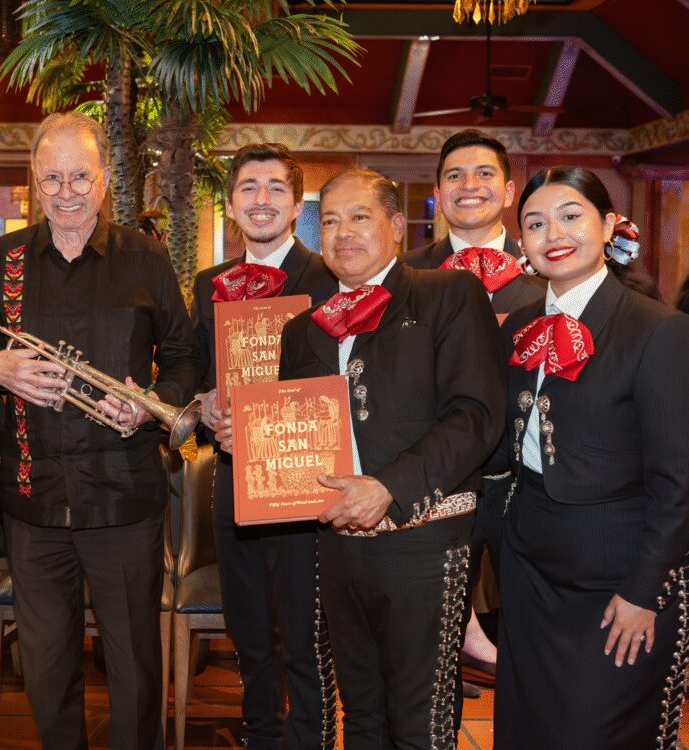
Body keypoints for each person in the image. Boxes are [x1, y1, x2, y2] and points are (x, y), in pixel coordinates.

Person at [241, 168, 505, 748]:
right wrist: (259, 445)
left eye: (359, 217)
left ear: (394, 226)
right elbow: (298, 437)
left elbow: (477, 416)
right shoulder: (302, 330)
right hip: (335, 549)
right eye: (330, 220)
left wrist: (387, 486)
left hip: (424, 541)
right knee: (360, 718)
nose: (343, 234)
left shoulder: (447, 294)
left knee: (421, 723)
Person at [0, 111, 202, 750]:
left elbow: (183, 357)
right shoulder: (3, 259)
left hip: (123, 495)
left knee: (133, 664)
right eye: (52, 178)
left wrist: (155, 402)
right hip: (34, 498)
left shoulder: (146, 257)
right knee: (45, 669)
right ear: (34, 185)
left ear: (103, 182)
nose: (66, 191)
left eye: (80, 176)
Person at [493, 166, 689, 748]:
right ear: (521, 243)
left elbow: (678, 482)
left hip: (617, 578)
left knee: (597, 732)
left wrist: (643, 592)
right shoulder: (521, 325)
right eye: (534, 222)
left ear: (608, 226)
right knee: (527, 728)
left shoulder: (659, 330)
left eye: (570, 215)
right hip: (529, 569)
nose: (553, 231)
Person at [189, 142, 338, 749]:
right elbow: (198, 376)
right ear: (230, 204)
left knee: (303, 633)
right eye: (248, 187)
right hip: (231, 475)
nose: (261, 199)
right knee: (248, 629)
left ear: (296, 202)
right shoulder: (207, 285)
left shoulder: (328, 276)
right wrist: (205, 409)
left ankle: (311, 739)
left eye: (276, 187)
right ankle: (260, 736)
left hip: (305, 482)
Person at [401, 129, 545, 683]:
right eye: (455, 175)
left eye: (485, 174)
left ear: (508, 191)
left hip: (525, 479)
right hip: (434, 476)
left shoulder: (547, 268)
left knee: (533, 641)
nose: (470, 186)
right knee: (430, 650)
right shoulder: (407, 275)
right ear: (438, 191)